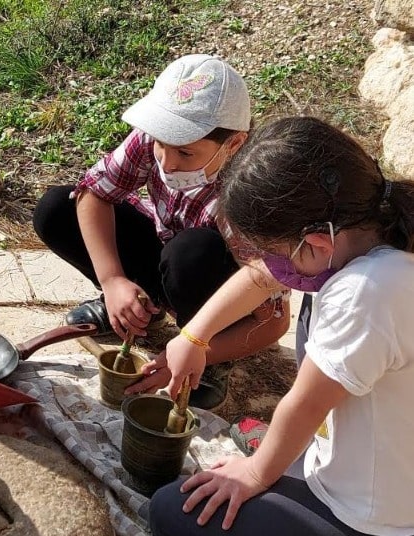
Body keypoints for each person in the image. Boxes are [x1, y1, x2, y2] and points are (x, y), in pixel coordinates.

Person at [149, 116, 414, 535]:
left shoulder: (364, 294)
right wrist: (193, 336)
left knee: (171, 509)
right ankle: (295, 454)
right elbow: (263, 277)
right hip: (379, 461)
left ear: (317, 241)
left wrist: (255, 472)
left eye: (275, 252)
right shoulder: (375, 229)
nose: (273, 265)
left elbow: (306, 405)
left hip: (372, 515)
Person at [32, 54, 288, 409]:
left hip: (212, 283)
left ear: (233, 144)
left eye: (185, 153)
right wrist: (112, 281)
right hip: (167, 252)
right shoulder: (159, 141)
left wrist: (195, 347)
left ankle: (211, 354)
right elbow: (95, 194)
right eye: (160, 144)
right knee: (56, 210)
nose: (167, 162)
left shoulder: (250, 196)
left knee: (192, 252)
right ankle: (137, 311)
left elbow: (272, 323)